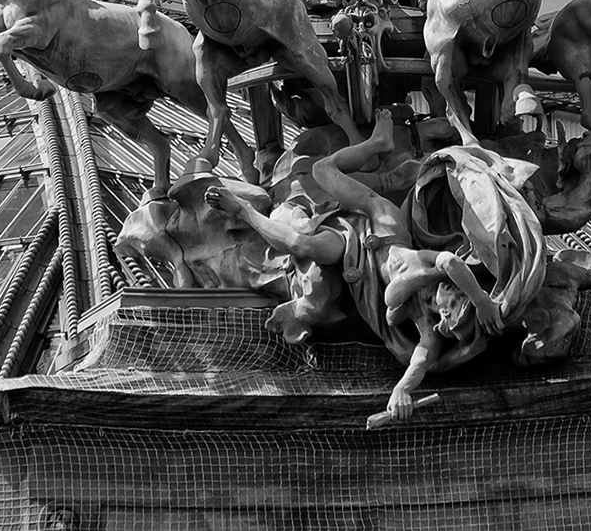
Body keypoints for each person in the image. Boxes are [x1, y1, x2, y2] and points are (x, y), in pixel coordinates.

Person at [205, 108, 502, 421]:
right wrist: (483, 301)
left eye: (450, 314)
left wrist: (402, 389)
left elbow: (423, 358)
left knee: (306, 244)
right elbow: (450, 261)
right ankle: (376, 144)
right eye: (456, 303)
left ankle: (245, 210)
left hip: (357, 258)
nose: (447, 306)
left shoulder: (424, 320)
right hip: (382, 230)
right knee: (322, 171)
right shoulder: (425, 270)